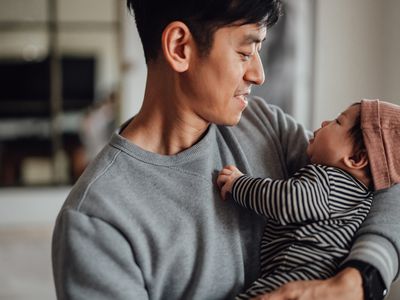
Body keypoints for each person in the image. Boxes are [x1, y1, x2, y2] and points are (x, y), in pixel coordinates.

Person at [51, 0, 400, 299]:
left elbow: (385, 180)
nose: (259, 74)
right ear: (180, 47)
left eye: (259, 51)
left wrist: (359, 280)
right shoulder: (95, 221)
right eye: (245, 52)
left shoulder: (264, 125)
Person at [217, 100, 400, 299]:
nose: (324, 123)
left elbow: (288, 201)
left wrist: (239, 184)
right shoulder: (361, 196)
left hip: (298, 278)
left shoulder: (330, 180)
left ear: (356, 159)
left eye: (337, 122)